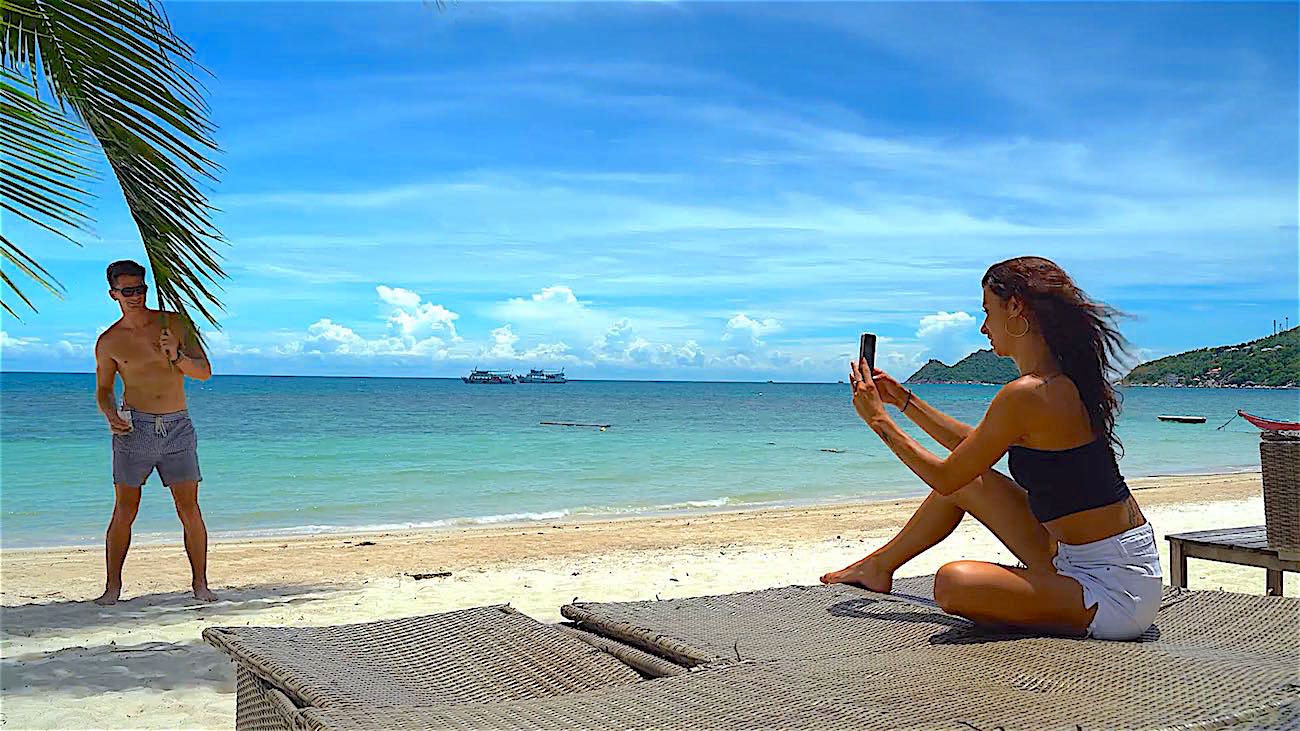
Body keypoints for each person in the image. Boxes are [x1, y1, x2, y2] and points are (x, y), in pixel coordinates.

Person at [822, 256, 1159, 641]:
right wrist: (903, 401)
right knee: (970, 480)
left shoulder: (1033, 392)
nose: (983, 327)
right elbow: (973, 451)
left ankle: (1039, 601)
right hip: (1079, 558)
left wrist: (878, 420)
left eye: (987, 311)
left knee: (953, 582)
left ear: (1015, 307)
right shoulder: (1051, 384)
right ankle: (878, 566)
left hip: (1115, 593)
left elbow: (945, 477)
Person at [93, 260, 217, 604]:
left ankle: (201, 585)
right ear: (113, 294)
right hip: (134, 429)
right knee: (125, 510)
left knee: (189, 508)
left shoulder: (174, 323)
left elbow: (204, 372)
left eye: (141, 289)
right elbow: (103, 388)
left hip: (177, 426)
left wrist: (176, 355)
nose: (135, 296)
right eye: (127, 290)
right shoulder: (109, 342)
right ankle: (112, 589)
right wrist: (108, 413)